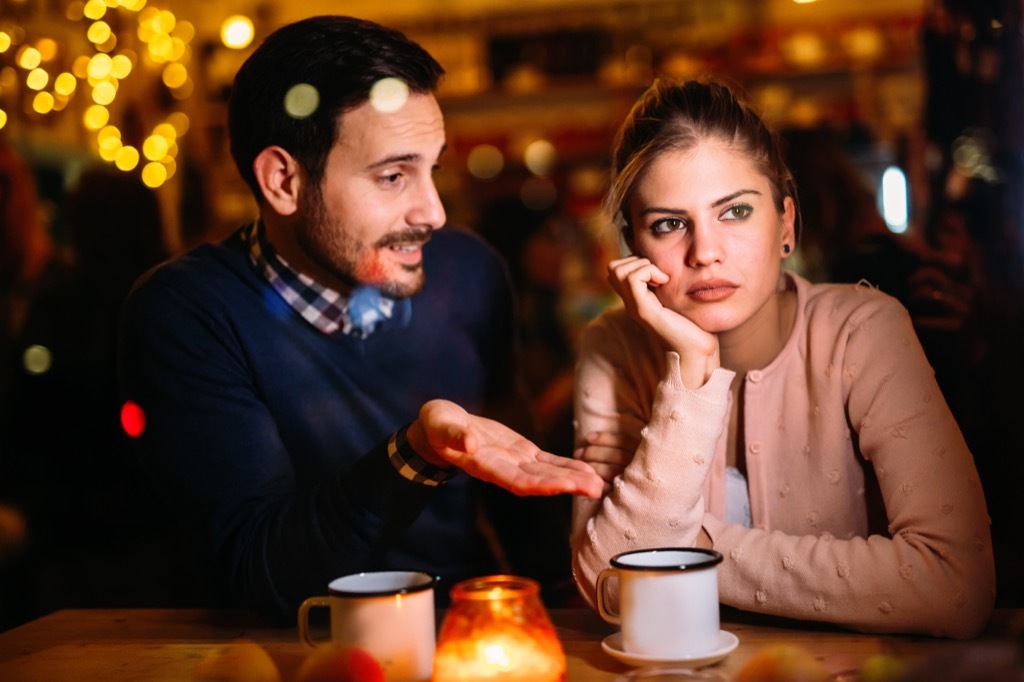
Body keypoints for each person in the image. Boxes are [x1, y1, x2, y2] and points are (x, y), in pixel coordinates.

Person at [117, 15, 601, 625]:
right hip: (297, 653)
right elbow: (263, 573)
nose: (434, 212)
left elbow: (521, 499)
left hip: (474, 637)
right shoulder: (189, 313)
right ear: (284, 181)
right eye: (393, 175)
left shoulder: (469, 270)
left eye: (434, 168)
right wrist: (418, 453)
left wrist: (568, 602)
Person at [570, 77, 995, 638]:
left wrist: (691, 546)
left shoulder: (861, 330)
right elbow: (602, 580)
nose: (705, 252)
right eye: (669, 224)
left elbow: (956, 584)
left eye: (735, 212)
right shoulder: (614, 347)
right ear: (633, 246)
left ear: (785, 224)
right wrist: (694, 368)